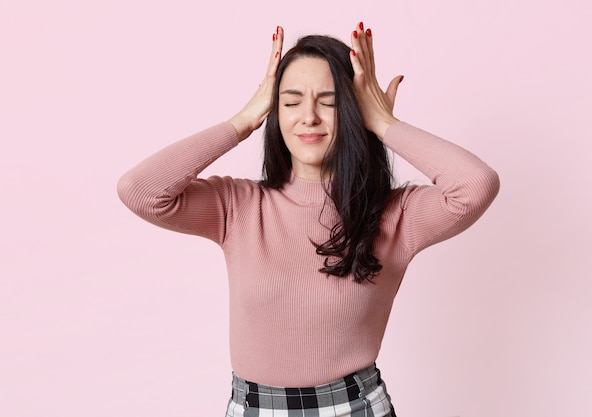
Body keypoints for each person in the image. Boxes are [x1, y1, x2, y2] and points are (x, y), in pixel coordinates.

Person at [118, 22, 500, 417]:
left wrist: (384, 124)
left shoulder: (393, 214)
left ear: (355, 111)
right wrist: (244, 120)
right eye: (291, 101)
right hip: (254, 409)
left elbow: (475, 185)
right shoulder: (238, 205)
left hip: (354, 407)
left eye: (330, 101)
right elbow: (141, 190)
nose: (309, 117)